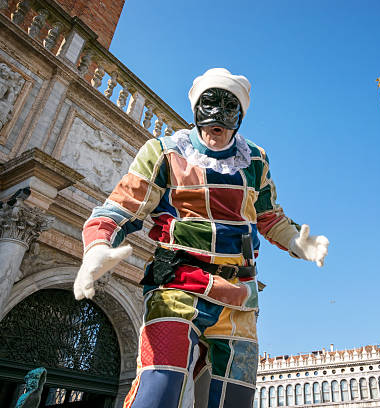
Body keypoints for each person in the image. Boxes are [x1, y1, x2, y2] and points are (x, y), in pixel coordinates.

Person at [73, 68, 329, 408]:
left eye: (229, 108)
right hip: (178, 285)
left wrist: (297, 241)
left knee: (232, 398)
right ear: (196, 110)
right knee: (160, 387)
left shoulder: (254, 159)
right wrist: (97, 246)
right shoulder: (164, 151)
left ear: (239, 115)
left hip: (239, 296)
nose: (217, 123)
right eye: (210, 106)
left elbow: (268, 217)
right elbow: (121, 207)